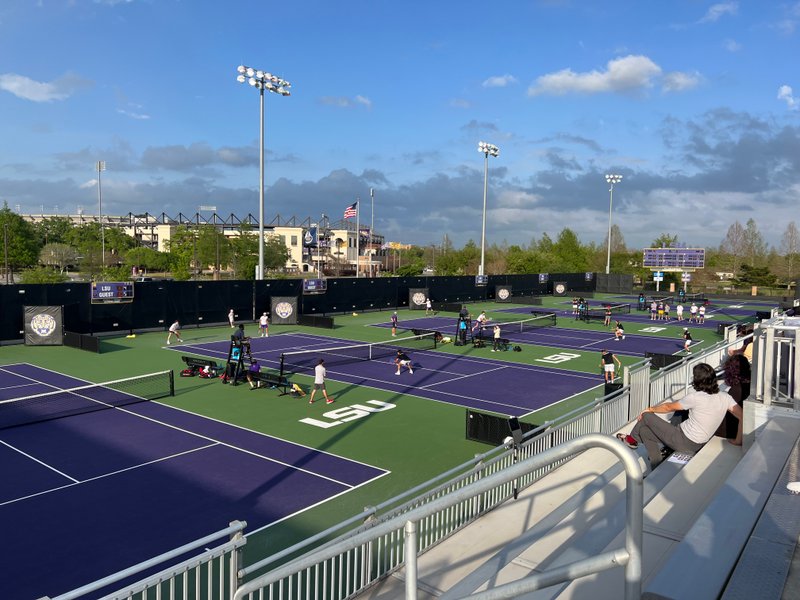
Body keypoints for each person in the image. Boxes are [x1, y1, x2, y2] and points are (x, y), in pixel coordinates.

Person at [617, 363, 743, 469]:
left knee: (646, 417)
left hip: (683, 439)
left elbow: (668, 407)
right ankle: (656, 465)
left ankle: (632, 440)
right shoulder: (725, 397)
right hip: (696, 442)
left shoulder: (696, 397)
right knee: (644, 431)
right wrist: (738, 441)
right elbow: (742, 416)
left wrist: (649, 409)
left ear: (697, 380)